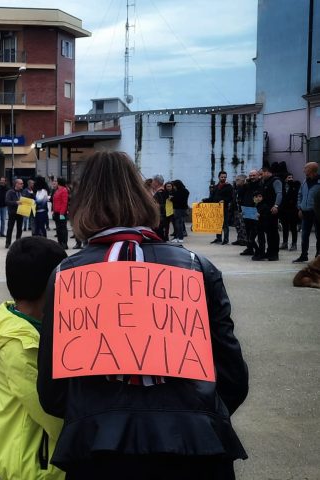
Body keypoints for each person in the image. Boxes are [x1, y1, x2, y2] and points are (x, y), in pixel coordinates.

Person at [37, 151, 248, 479]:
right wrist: (195, 416)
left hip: (99, 449)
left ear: (82, 203)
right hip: (197, 446)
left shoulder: (66, 275)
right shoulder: (197, 267)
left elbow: (53, 393)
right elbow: (233, 376)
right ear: (143, 195)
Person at [0, 236, 68, 480]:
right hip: (35, 466)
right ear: (51, 286)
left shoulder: (24, 325)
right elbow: (53, 415)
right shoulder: (21, 346)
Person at [254, 164, 282, 261]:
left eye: (262, 174)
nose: (261, 176)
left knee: (273, 232)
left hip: (273, 210)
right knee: (269, 232)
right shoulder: (264, 182)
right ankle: (269, 252)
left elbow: (279, 193)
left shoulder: (276, 181)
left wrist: (276, 205)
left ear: (267, 172)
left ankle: (274, 253)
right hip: (265, 211)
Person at [294, 161, 320, 263]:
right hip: (305, 213)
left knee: (319, 236)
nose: (304, 170)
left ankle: (318, 257)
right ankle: (303, 255)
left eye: (306, 168)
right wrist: (300, 208)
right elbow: (300, 194)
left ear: (311, 170)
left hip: (317, 213)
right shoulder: (305, 181)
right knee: (304, 235)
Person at [209, 171, 233, 245]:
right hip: (216, 208)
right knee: (217, 224)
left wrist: (224, 201)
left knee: (225, 224)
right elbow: (212, 198)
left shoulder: (229, 187)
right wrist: (203, 201)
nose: (223, 178)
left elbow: (231, 198)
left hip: (224, 208)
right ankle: (218, 238)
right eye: (222, 177)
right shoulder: (215, 187)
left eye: (225, 177)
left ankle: (226, 239)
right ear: (219, 177)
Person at [279, 172, 300, 251]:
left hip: (293, 210)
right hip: (284, 210)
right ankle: (285, 243)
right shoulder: (282, 186)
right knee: (285, 227)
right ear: (285, 179)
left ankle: (294, 244)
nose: (290, 179)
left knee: (293, 227)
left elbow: (296, 195)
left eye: (291, 177)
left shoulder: (295, 185)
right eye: (288, 177)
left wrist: (291, 185)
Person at [5, 178, 25, 248]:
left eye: (22, 183)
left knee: (19, 229)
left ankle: (18, 243)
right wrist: (16, 202)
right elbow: (7, 201)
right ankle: (8, 243)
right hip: (12, 213)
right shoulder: (10, 192)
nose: (22, 185)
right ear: (16, 184)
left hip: (21, 212)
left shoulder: (22, 192)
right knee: (10, 228)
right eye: (21, 183)